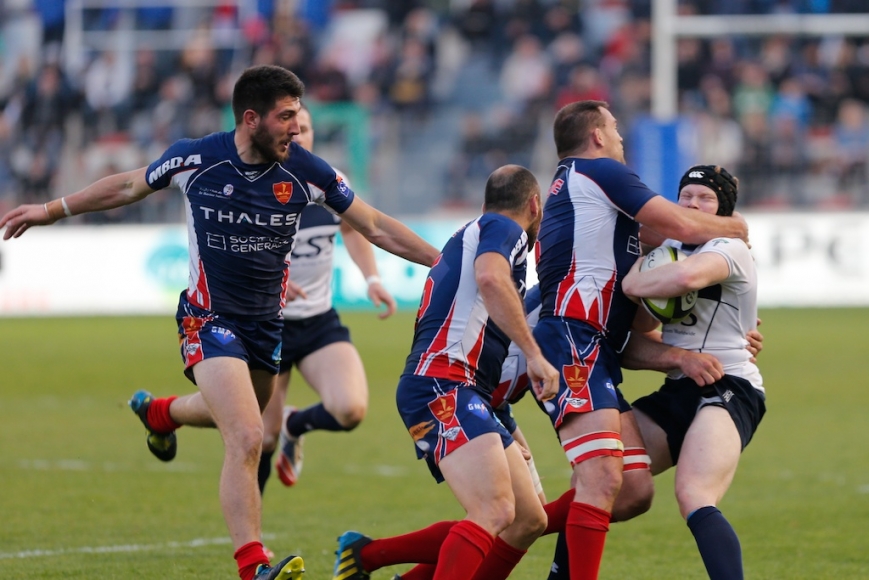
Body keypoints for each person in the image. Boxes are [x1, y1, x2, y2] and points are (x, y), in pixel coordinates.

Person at [0, 64, 439, 580]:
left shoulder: (308, 171)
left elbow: (377, 226)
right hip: (208, 320)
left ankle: (163, 413)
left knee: (238, 415)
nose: (296, 129)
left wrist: (446, 262)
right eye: (287, 117)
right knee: (250, 434)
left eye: (298, 117)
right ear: (251, 119)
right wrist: (51, 210)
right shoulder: (198, 158)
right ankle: (253, 564)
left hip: (265, 328)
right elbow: (126, 186)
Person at [532, 100, 749, 579]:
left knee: (630, 490)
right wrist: (735, 227)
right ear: (596, 137)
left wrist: (706, 342)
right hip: (571, 339)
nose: (621, 137)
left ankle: (491, 537)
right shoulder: (600, 171)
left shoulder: (592, 202)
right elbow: (682, 227)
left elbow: (667, 250)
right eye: (615, 128)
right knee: (602, 479)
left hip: (593, 347)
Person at [330, 165, 560, 580]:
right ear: (533, 205)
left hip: (463, 389)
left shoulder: (473, 233)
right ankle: (367, 557)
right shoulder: (504, 230)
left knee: (528, 519)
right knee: (493, 510)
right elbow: (490, 278)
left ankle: (365, 556)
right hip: (443, 385)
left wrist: (506, 427)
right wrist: (535, 354)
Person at [619, 164, 764, 580]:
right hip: (679, 386)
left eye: (705, 199)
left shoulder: (728, 248)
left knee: (694, 493)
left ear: (722, 212)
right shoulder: (668, 250)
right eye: (686, 197)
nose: (693, 204)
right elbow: (636, 340)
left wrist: (635, 280)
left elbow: (686, 277)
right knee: (603, 486)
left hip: (730, 384)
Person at [257, 104, 397, 493]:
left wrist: (372, 278)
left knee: (351, 409)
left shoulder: (329, 181)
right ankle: (252, 543)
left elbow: (354, 230)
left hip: (318, 320)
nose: (298, 136)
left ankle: (295, 424)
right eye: (291, 128)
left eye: (304, 128)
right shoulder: (255, 186)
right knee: (260, 440)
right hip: (268, 325)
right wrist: (272, 282)